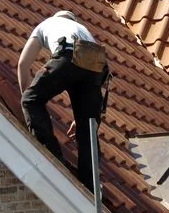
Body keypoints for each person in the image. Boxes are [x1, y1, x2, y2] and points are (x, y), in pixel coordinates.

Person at [17, 10, 109, 188]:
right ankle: (90, 184)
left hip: (69, 55)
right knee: (87, 127)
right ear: (73, 19)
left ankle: (51, 156)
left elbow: (23, 63)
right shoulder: (82, 28)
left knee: (30, 100)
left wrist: (27, 96)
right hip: (96, 67)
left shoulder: (45, 24)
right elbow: (94, 74)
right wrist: (83, 115)